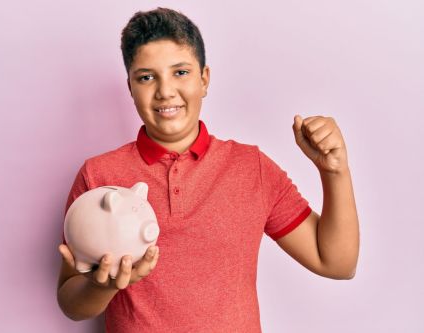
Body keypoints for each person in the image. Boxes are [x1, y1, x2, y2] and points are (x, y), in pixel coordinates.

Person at [56, 7, 359, 332]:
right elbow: (71, 303)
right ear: (130, 87)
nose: (165, 90)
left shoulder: (251, 167)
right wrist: (103, 286)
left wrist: (334, 170)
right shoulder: (98, 176)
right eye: (146, 77)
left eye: (181, 72)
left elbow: (337, 262)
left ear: (204, 79)